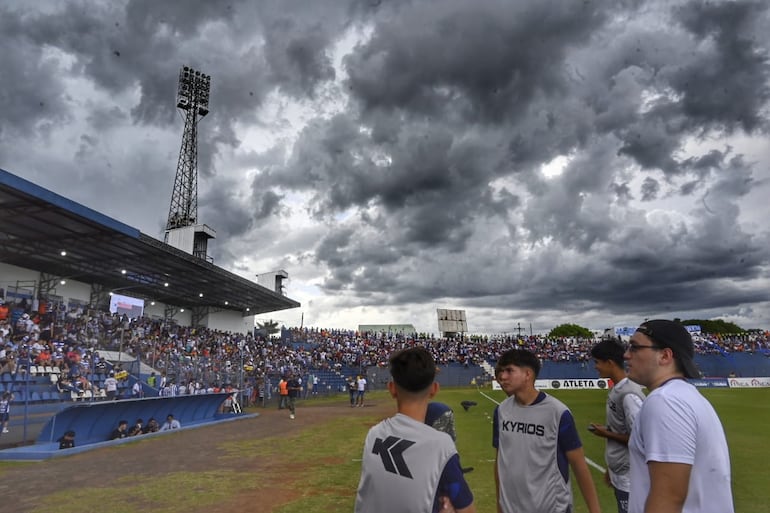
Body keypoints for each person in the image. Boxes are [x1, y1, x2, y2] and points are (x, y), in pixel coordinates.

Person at [625, 320, 734, 513]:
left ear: (665, 356)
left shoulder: (665, 401)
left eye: (635, 347)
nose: (626, 355)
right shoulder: (685, 396)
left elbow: (668, 498)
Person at [354, 347, 475, 513]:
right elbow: (466, 508)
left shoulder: (374, 434)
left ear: (392, 388)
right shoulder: (441, 445)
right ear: (434, 389)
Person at [493, 348, 601, 513]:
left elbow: (579, 465)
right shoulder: (501, 411)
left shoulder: (557, 412)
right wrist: (500, 503)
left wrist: (595, 510)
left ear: (528, 374)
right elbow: (500, 461)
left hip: (551, 507)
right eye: (500, 371)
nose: (502, 376)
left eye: (509, 370)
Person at [589, 339, 645, 513]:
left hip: (631, 475)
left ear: (610, 363)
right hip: (621, 472)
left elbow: (640, 439)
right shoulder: (618, 389)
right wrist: (612, 470)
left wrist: (605, 434)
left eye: (597, 362)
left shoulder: (629, 394)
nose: (595, 367)